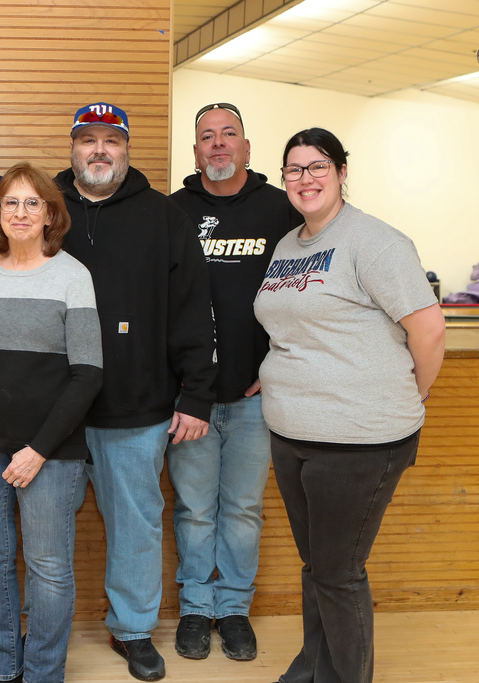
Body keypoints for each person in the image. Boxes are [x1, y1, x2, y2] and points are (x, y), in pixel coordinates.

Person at [0, 102, 217, 682]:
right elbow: (3, 264)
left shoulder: (164, 216)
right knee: (40, 545)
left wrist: (197, 392)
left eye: (111, 141)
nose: (99, 150)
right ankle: (22, 645)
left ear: (127, 148)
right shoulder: (46, 209)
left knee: (135, 521)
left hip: (135, 406)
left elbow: (192, 308)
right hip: (46, 417)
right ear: (72, 148)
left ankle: (131, 629)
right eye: (87, 140)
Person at [254, 127, 445, 683]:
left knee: (339, 572)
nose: (305, 179)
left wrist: (415, 393)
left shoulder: (375, 242)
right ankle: (316, 665)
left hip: (359, 439)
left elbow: (429, 330)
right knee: (318, 567)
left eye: (317, 167)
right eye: (294, 169)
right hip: (293, 432)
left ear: (341, 172)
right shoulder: (291, 244)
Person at [0, 162, 102, 683]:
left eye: (34, 203)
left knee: (49, 570)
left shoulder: (73, 276)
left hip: (50, 454)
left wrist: (39, 450)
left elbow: (88, 374)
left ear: (52, 213)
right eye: (11, 202)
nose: (22, 212)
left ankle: (44, 673)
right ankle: (2, 671)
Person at [165, 103, 302, 662]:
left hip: (255, 398)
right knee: (195, 509)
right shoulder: (172, 213)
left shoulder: (281, 211)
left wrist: (276, 369)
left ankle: (234, 610)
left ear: (247, 147)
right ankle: (197, 607)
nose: (218, 144)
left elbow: (305, 298)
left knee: (243, 509)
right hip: (189, 399)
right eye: (207, 137)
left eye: (229, 135)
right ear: (194, 151)